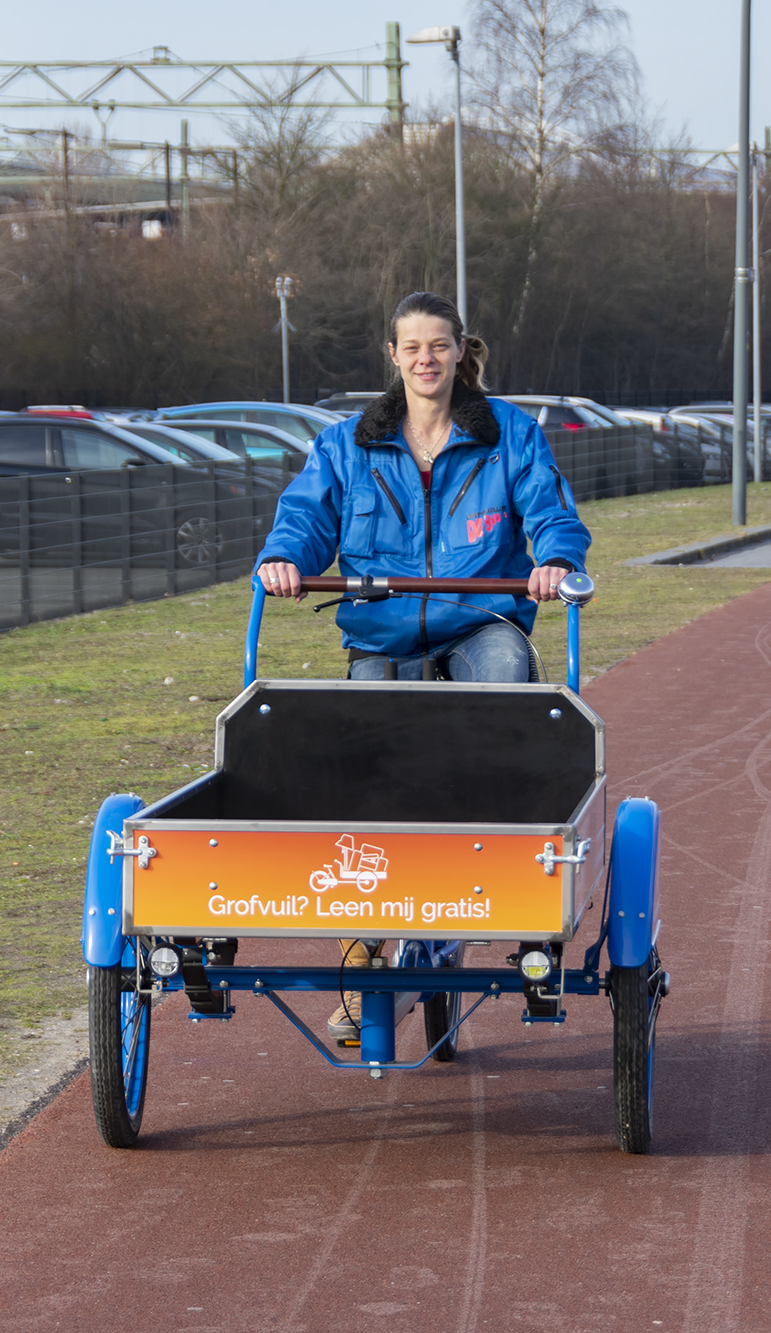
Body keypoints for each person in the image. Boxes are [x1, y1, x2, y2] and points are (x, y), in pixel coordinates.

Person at [255, 289, 591, 1039]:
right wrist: (285, 557)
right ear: (394, 356)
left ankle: (507, 878)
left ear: (459, 350)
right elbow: (307, 514)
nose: (426, 359)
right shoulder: (348, 443)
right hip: (384, 630)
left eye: (439, 344)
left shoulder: (507, 433)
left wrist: (555, 560)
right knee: (365, 766)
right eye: (412, 347)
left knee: (503, 686)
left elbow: (550, 511)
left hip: (480, 618)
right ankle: (360, 962)